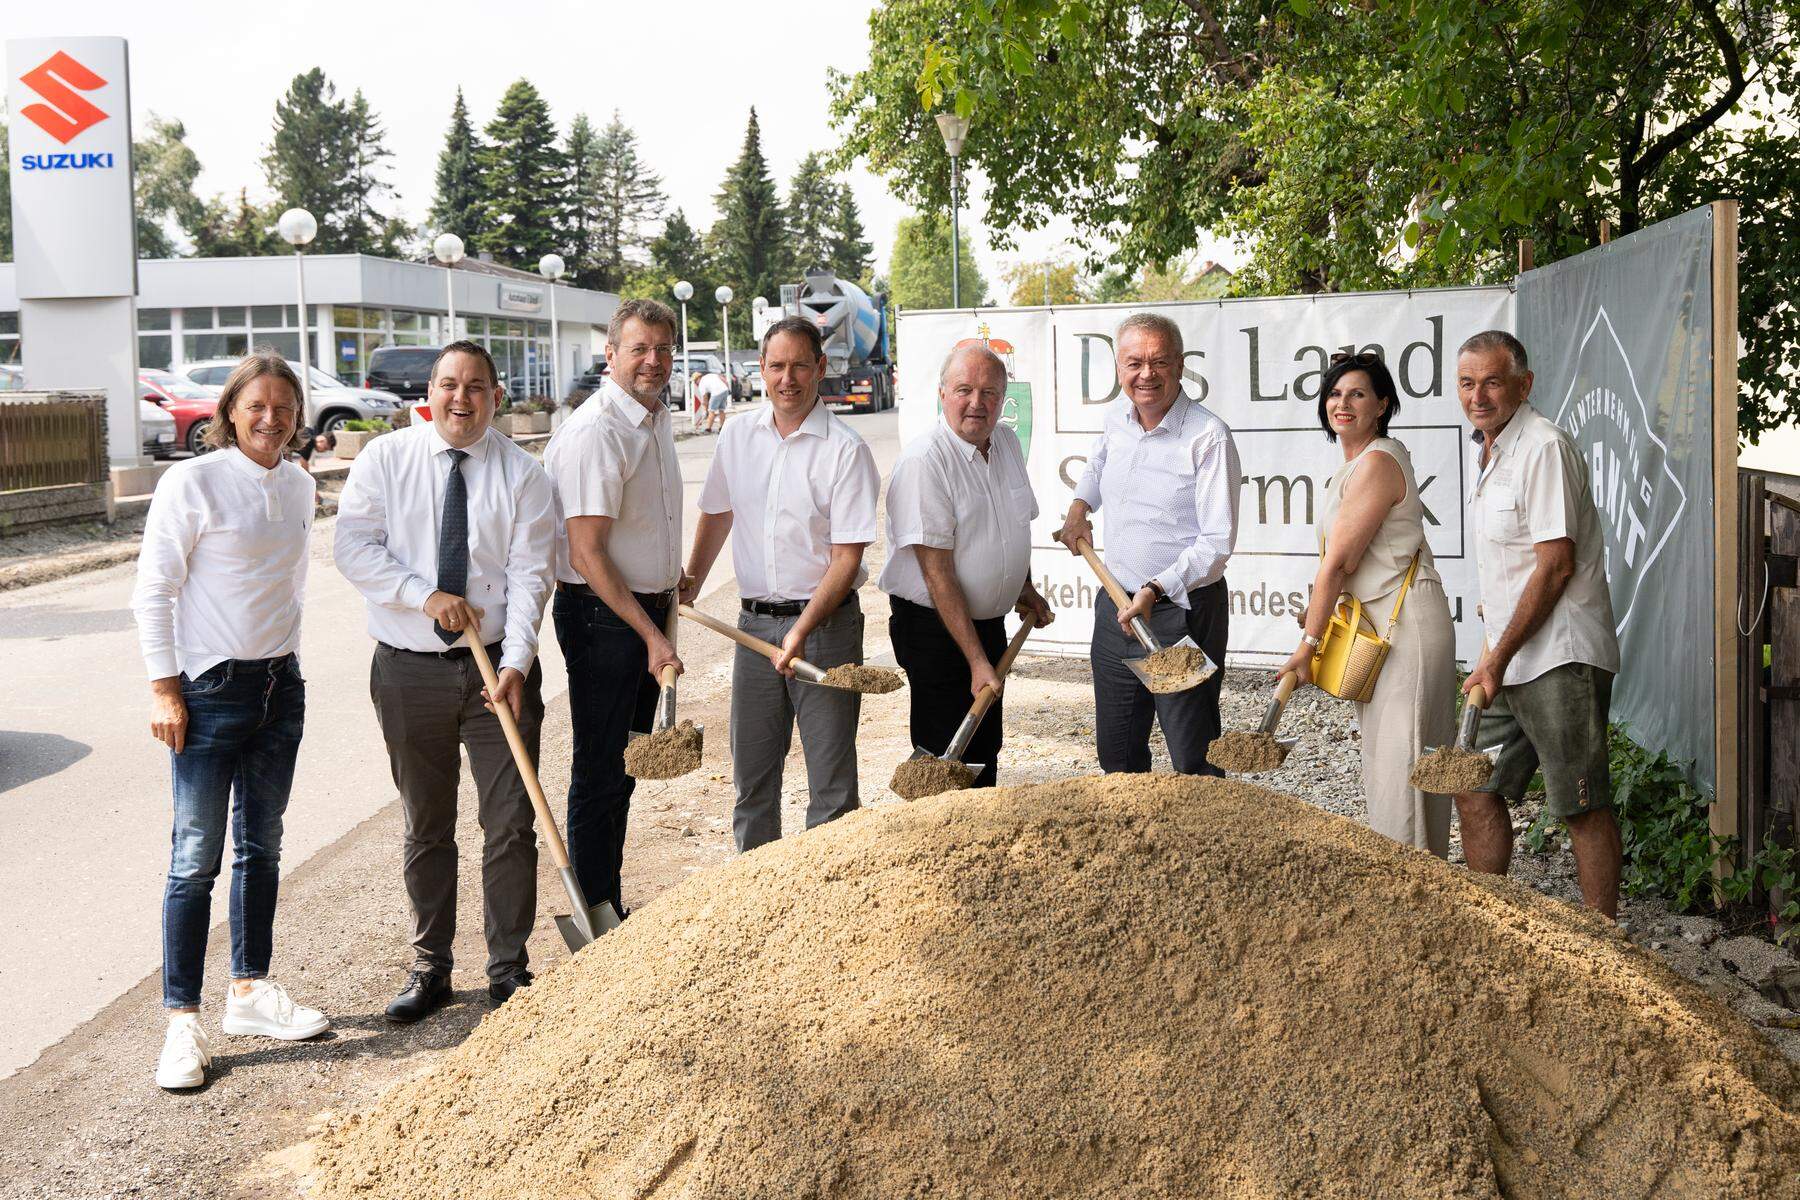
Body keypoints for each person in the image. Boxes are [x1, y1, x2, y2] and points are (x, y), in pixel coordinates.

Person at [334, 340, 557, 1021]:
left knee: (511, 824)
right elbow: (351, 546)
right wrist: (423, 595)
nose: (461, 398)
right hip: (407, 673)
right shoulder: (385, 459)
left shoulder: (524, 476)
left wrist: (516, 662)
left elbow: (530, 577)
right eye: (449, 385)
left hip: (498, 676)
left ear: (496, 395)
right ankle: (430, 966)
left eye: (476, 386)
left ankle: (508, 970)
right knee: (426, 825)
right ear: (428, 393)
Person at [132, 351, 329, 1090]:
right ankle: (181, 1025)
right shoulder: (193, 481)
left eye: (284, 406)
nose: (271, 418)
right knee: (193, 860)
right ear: (230, 411)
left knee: (263, 848)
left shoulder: (300, 484)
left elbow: (291, 586)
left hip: (281, 689)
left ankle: (249, 991)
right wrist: (164, 690)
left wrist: (291, 669)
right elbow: (154, 591)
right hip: (208, 692)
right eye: (257, 406)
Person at [682, 316, 880, 851]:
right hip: (753, 630)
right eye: (776, 366)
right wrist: (691, 581)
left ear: (820, 368)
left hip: (827, 629)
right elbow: (717, 514)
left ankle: (828, 907)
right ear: (761, 370)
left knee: (832, 788)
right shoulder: (738, 435)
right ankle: (756, 902)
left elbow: (846, 558)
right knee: (752, 782)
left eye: (799, 365)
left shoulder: (845, 449)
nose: (786, 378)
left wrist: (803, 629)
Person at [1454, 330, 1623, 915]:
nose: (1479, 396)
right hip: (1511, 658)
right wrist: (1491, 656)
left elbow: (1555, 568)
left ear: (1524, 385)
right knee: (1473, 782)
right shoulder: (1492, 451)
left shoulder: (1543, 447)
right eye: (1467, 383)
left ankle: (1608, 947)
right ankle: (1491, 924)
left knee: (1581, 803)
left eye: (1493, 382)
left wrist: (1494, 659)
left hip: (1559, 659)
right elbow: (1511, 571)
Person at [1278, 353, 1458, 856]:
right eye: (1335, 394)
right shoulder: (1355, 465)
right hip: (1376, 628)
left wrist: (1308, 646)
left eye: (1357, 394)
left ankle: (1417, 903)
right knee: (1386, 770)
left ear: (1382, 404)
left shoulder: (1379, 461)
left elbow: (1339, 564)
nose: (1342, 403)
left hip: (1406, 632)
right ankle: (1403, 900)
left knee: (1404, 774)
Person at [543, 299, 685, 920]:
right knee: (601, 769)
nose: (652, 360)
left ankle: (609, 902)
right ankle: (595, 912)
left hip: (639, 614)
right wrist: (652, 636)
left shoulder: (652, 419)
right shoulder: (597, 430)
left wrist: (667, 578)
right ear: (611, 355)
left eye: (662, 348)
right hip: (605, 621)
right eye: (639, 348)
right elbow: (588, 553)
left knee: (623, 765)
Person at [1057, 312, 1241, 775]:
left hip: (1182, 611)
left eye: (1159, 362)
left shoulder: (1208, 436)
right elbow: (1097, 467)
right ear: (1119, 368)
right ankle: (1133, 843)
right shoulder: (1116, 418)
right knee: (1117, 753)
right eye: (1134, 363)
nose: (1146, 374)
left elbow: (1216, 542)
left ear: (1180, 366)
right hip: (1115, 605)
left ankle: (1206, 843)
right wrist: (1080, 507)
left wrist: (1155, 589)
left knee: (1193, 755)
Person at [880, 342, 1055, 787]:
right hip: (936, 631)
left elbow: (1011, 529)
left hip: (986, 626)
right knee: (945, 754)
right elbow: (936, 574)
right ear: (942, 394)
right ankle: (942, 850)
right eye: (964, 390)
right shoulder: (925, 462)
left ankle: (979, 844)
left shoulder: (1008, 444)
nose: (977, 403)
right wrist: (977, 659)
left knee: (982, 746)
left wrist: (1025, 588)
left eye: (990, 393)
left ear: (1003, 398)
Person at [702, 369, 732, 433]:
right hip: (725, 390)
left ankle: (708, 428)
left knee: (711, 410)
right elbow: (724, 380)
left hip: (716, 392)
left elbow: (705, 398)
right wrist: (728, 389)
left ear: (697, 379)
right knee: (722, 409)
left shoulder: (701, 383)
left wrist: (706, 409)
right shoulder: (713, 375)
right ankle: (722, 427)